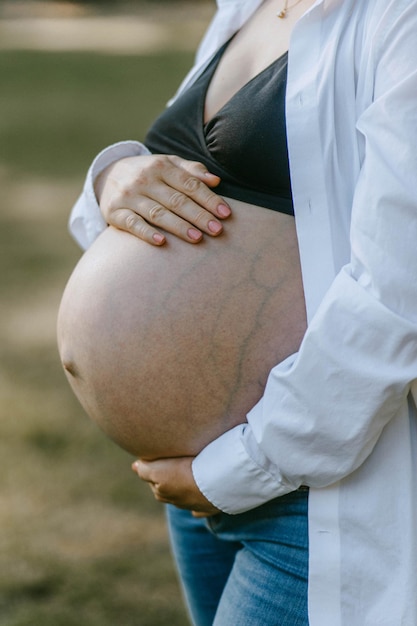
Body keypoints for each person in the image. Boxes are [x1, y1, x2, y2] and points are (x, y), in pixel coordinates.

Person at [63, 0, 417, 624]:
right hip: (196, 488)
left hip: (313, 489)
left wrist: (247, 466)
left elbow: (398, 289)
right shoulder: (248, 5)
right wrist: (115, 176)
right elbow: (166, 182)